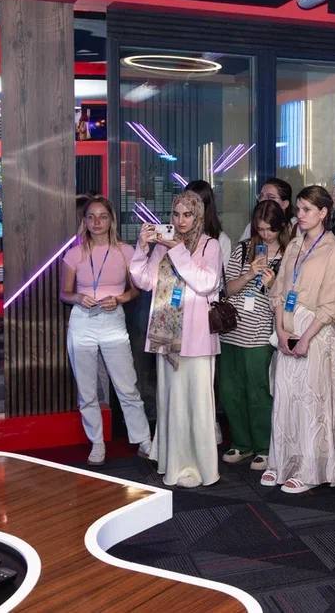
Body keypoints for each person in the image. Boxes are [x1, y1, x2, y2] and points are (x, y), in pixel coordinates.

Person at [130, 191, 224, 488]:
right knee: (171, 401)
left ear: (198, 216)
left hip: (196, 338)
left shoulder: (210, 245)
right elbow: (144, 281)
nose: (181, 221)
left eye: (188, 215)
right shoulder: (163, 245)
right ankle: (173, 461)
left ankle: (199, 466)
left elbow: (206, 282)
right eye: (176, 214)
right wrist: (142, 248)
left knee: (196, 404)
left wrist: (177, 250)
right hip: (166, 336)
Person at [262, 186, 335, 493]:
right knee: (285, 399)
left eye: (306, 210)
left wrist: (305, 338)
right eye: (298, 209)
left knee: (311, 403)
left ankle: (310, 469)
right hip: (288, 327)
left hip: (317, 331)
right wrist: (281, 331)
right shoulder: (294, 245)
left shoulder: (333, 248)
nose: (299, 215)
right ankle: (281, 463)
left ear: (323, 213)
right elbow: (278, 292)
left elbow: (332, 304)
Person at [60, 196, 151, 466]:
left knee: (127, 385)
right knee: (87, 389)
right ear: (85, 221)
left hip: (113, 320)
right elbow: (64, 293)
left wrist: (119, 299)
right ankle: (97, 442)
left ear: (111, 220)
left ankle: (143, 440)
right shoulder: (74, 253)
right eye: (91, 217)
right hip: (82, 321)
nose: (96, 222)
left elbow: (136, 289)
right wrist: (78, 297)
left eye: (102, 216)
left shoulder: (125, 251)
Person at [219, 201, 289, 471]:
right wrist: (250, 273)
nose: (266, 235)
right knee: (230, 390)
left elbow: (285, 297)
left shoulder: (288, 253)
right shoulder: (243, 249)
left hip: (260, 333)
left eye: (271, 229)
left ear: (281, 227)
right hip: (232, 330)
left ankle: (263, 446)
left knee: (258, 390)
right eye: (261, 229)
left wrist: (271, 283)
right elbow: (228, 289)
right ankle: (241, 442)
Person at [185, 180, 232, 267]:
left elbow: (219, 274)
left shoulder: (221, 240)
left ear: (206, 207)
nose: (188, 209)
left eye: (194, 204)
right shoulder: (174, 235)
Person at [239, 177, 294, 241]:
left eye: (270, 197)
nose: (263, 200)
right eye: (261, 196)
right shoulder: (253, 224)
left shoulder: (295, 226)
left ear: (285, 204)